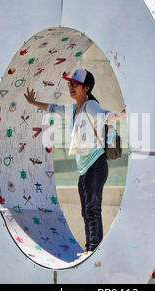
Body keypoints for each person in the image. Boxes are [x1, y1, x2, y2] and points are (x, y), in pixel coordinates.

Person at [24, 69, 126, 260]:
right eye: (69, 83)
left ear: (86, 88)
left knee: (92, 208)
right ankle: (90, 249)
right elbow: (53, 108)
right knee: (86, 210)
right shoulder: (73, 109)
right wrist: (33, 102)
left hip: (96, 163)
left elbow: (105, 115)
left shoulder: (90, 106)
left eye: (75, 84)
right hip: (84, 167)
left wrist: (120, 116)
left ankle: (93, 250)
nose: (70, 87)